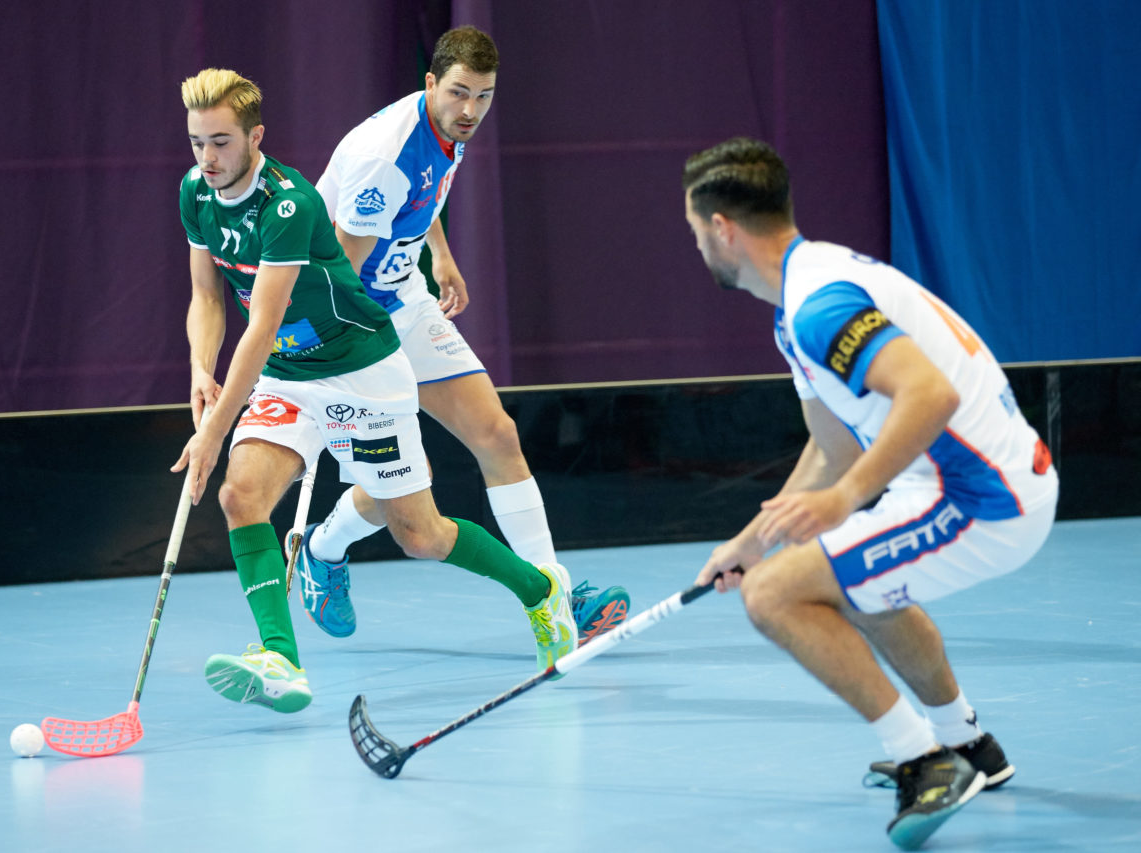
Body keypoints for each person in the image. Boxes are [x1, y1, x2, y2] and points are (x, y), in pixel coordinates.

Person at [681, 137, 1058, 849]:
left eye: (696, 230)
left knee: (777, 594)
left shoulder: (818, 306)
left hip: (983, 497)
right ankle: (968, 744)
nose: (697, 245)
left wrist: (846, 497)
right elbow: (833, 445)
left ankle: (927, 761)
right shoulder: (800, 297)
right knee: (856, 573)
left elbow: (929, 393)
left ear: (723, 227)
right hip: (964, 482)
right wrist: (751, 540)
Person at [171, 68, 578, 715]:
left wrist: (215, 428)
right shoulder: (196, 193)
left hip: (362, 365)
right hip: (287, 370)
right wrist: (200, 367)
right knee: (240, 494)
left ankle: (538, 591)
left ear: (256, 137)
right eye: (197, 142)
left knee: (419, 533)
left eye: (220, 142)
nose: (207, 158)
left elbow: (265, 320)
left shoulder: (288, 205)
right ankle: (279, 658)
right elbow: (205, 296)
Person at [303, 25, 629, 645]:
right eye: (459, 94)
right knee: (401, 483)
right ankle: (322, 551)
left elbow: (418, 203)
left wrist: (440, 253)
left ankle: (554, 596)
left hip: (402, 297)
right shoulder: (384, 155)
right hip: (352, 323)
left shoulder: (450, 128)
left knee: (498, 433)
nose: (471, 110)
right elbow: (342, 273)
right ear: (431, 84)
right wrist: (365, 359)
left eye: (484, 96)